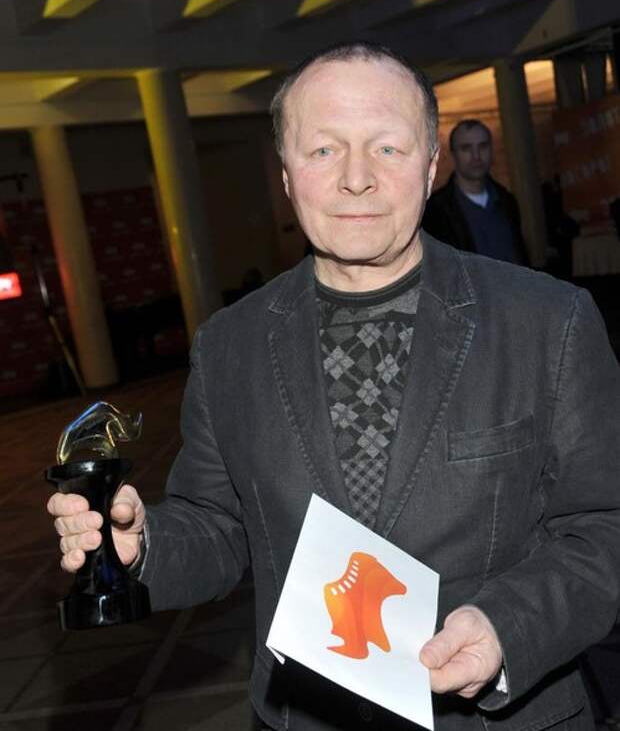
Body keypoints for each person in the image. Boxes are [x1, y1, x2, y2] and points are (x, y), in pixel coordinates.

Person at [47, 43, 620, 731]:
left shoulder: (549, 322)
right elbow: (221, 525)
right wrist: (142, 545)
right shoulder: (229, 344)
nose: (356, 179)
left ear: (430, 164)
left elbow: (604, 526)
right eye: (323, 150)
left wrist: (507, 627)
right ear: (287, 174)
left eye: (387, 148)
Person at [423, 119, 530, 265]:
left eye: (483, 146)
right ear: (453, 154)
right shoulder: (435, 211)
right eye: (466, 148)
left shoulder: (507, 201)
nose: (476, 156)